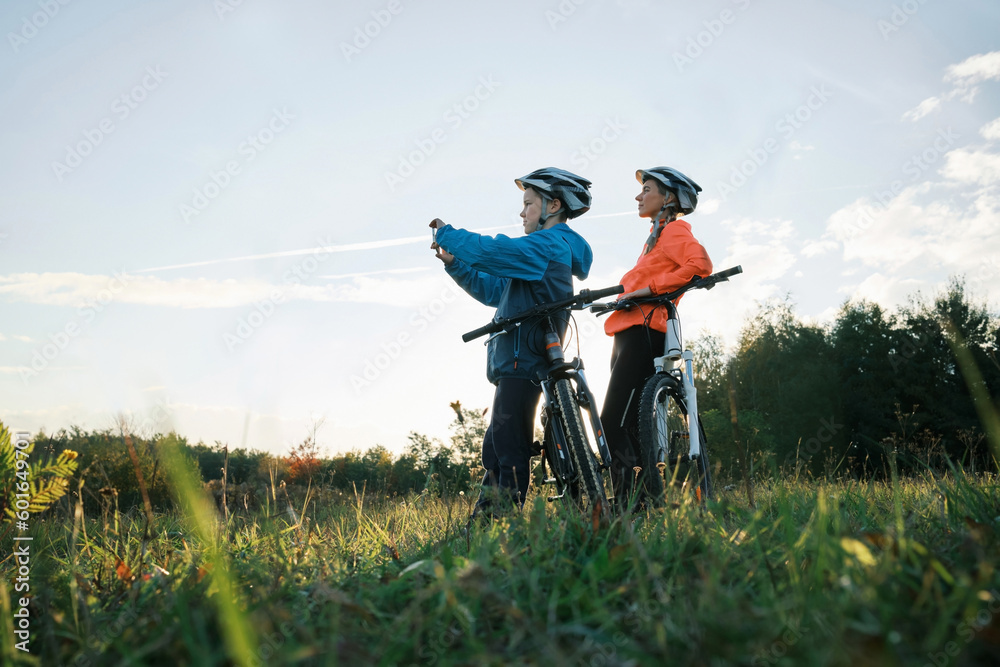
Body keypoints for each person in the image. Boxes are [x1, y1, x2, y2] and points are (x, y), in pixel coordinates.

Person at [429, 168, 594, 523]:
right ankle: (485, 525)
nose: (522, 213)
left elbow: (493, 251)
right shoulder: (541, 253)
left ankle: (499, 525)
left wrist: (448, 234)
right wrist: (456, 265)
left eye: (528, 204)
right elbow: (494, 290)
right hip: (520, 359)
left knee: (507, 446)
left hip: (523, 358)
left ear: (553, 205)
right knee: (499, 444)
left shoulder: (546, 244)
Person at [600, 166, 712, 510]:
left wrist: (650, 290)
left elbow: (700, 265)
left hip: (646, 331)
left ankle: (631, 500)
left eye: (646, 189)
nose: (638, 195)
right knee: (630, 421)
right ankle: (640, 499)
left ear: (669, 198)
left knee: (612, 421)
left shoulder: (675, 231)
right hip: (627, 331)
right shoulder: (654, 239)